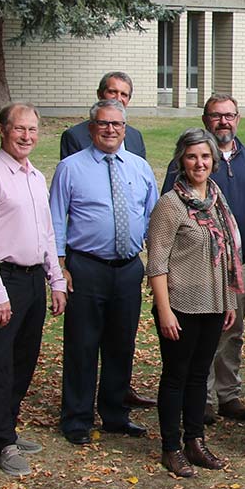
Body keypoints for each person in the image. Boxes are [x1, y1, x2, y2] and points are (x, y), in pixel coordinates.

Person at [0, 103, 68, 476]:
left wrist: (56, 279)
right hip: (1, 278)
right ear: (2, 130)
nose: (27, 136)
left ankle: (7, 424)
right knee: (0, 359)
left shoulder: (35, 176)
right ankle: (1, 441)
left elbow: (47, 233)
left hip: (32, 278)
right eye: (19, 129)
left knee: (25, 356)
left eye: (33, 130)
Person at [50, 100, 158, 446]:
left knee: (121, 344)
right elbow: (55, 219)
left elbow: (155, 219)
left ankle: (114, 414)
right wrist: (60, 266)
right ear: (91, 127)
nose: (110, 130)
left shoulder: (140, 167)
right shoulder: (71, 168)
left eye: (116, 124)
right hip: (87, 267)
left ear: (125, 129)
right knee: (82, 345)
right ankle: (77, 419)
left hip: (128, 269)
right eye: (103, 123)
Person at [162, 94, 245, 426]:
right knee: (203, 333)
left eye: (230, 115)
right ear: (206, 119)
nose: (224, 122)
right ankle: (202, 396)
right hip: (199, 268)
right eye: (217, 116)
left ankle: (228, 393)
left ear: (238, 119)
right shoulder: (191, 160)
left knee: (232, 331)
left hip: (241, 265)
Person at [146, 129, 243, 477]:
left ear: (213, 161)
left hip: (215, 304)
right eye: (192, 157)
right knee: (176, 376)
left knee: (199, 376)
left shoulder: (217, 201)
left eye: (205, 157)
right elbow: (156, 264)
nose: (199, 163)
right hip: (181, 305)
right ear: (181, 161)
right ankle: (171, 447)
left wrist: (230, 299)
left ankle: (195, 440)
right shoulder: (170, 205)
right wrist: (165, 310)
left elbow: (229, 255)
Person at [59, 72, 148, 161]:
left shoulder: (135, 137)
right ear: (99, 94)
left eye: (124, 94)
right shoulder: (74, 136)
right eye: (112, 92)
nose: (118, 99)